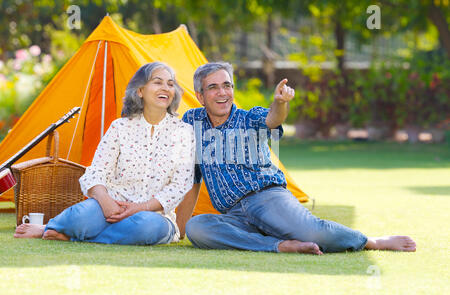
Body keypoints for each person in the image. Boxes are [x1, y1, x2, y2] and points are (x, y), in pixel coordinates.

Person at [176, 61, 416, 255]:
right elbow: (192, 177)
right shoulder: (192, 121)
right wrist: (180, 230)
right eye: (213, 87)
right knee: (198, 228)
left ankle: (371, 241)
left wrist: (280, 103)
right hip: (234, 215)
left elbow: (272, 119)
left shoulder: (249, 118)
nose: (222, 93)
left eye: (227, 86)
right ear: (200, 95)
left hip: (267, 199)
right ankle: (278, 245)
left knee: (314, 233)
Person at [14, 62, 195, 245]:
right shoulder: (120, 127)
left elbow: (180, 185)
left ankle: (73, 235)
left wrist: (141, 207)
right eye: (158, 82)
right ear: (140, 91)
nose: (166, 88)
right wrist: (105, 201)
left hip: (154, 216)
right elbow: (96, 172)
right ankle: (57, 227)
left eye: (170, 84)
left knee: (147, 228)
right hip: (110, 207)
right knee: (81, 216)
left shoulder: (184, 132)